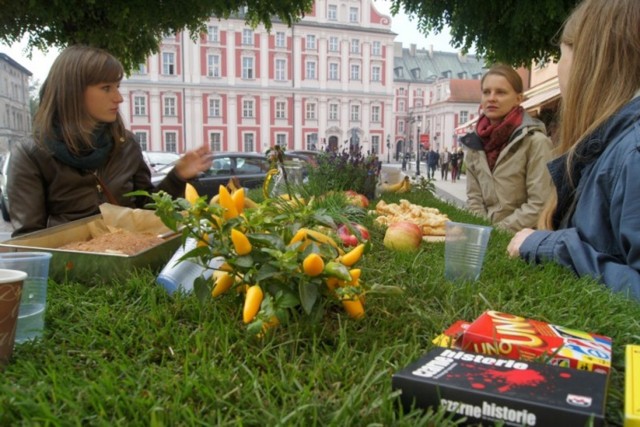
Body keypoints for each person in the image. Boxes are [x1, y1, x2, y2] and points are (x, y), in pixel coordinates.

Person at [507, 0, 640, 300]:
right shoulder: (612, 145)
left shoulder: (633, 151)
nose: (557, 68)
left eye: (560, 54)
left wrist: (551, 247)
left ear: (588, 60)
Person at [8, 45, 212, 237]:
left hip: (130, 267)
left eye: (117, 86)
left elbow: (146, 212)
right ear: (73, 92)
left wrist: (177, 177)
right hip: (69, 272)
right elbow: (29, 240)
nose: (118, 97)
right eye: (106, 88)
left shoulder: (126, 143)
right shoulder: (31, 154)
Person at [460, 64, 553, 231]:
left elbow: (539, 204)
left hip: (524, 241)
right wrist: (482, 231)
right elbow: (474, 199)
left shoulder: (535, 142)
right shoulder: (475, 144)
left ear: (518, 98)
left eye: (501, 92)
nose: (491, 98)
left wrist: (496, 233)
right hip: (488, 237)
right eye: (486, 92)